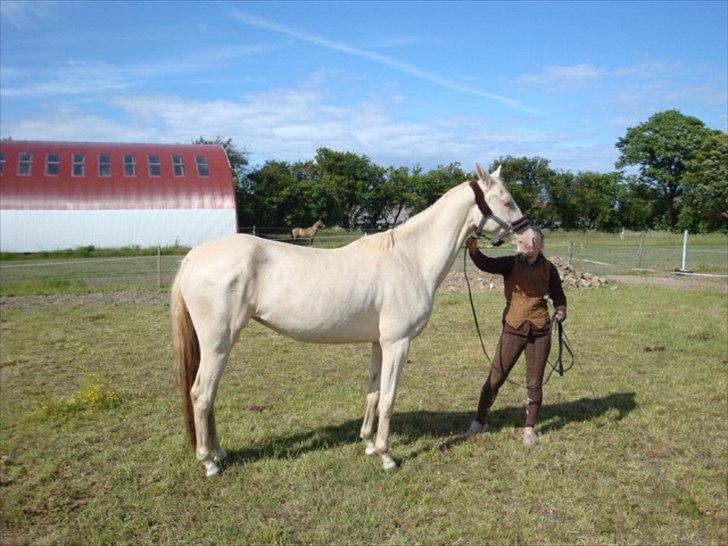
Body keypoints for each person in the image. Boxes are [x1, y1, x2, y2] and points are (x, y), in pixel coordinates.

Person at [463, 228, 567, 445]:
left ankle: (529, 428)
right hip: (513, 328)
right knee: (495, 378)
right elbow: (486, 264)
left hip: (540, 332)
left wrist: (560, 309)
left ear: (537, 243)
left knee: (534, 383)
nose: (520, 242)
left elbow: (558, 294)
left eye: (526, 239)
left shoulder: (549, 268)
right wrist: (473, 249)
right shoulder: (511, 263)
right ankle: (479, 422)